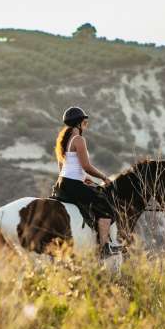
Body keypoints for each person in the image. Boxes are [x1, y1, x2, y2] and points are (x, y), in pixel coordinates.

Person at [49, 107, 122, 257]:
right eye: (85, 122)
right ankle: (104, 248)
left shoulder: (64, 141)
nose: (86, 125)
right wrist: (104, 178)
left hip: (63, 183)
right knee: (106, 206)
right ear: (79, 123)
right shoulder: (79, 140)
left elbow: (64, 166)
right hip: (72, 184)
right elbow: (86, 166)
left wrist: (83, 179)